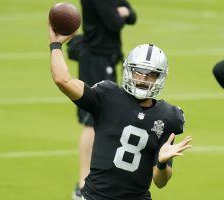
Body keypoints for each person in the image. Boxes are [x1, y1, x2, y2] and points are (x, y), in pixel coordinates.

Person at [49, 26, 193, 200]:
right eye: (137, 72)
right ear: (128, 70)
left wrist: (162, 163)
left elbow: (160, 182)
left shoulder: (168, 117)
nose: (142, 79)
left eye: (151, 75)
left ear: (160, 78)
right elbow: (62, 80)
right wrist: (56, 45)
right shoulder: (107, 95)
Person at [72, 1, 137, 198]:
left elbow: (132, 16)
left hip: (108, 58)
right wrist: (121, 13)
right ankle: (83, 184)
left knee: (102, 119)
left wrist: (123, 12)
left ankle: (92, 180)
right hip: (95, 60)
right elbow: (114, 23)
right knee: (91, 122)